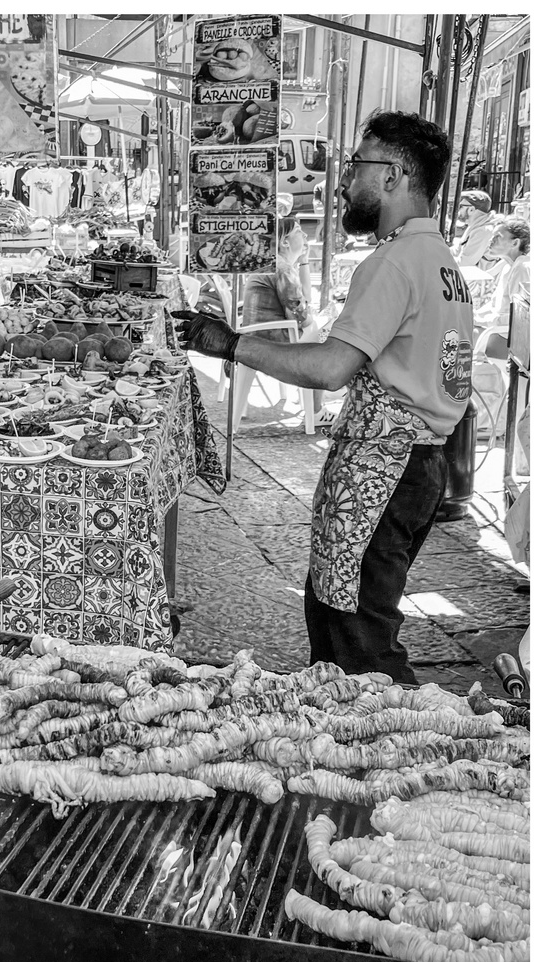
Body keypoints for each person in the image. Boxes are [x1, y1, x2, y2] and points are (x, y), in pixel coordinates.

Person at [174, 110, 474, 682]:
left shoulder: (394, 262)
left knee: (359, 639)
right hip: (419, 464)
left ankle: (414, 752)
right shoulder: (441, 260)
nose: (341, 182)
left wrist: (232, 344)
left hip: (386, 467)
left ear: (394, 176)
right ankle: (345, 740)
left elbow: (333, 368)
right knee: (343, 615)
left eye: (356, 166)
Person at [236, 217, 332, 429]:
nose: (305, 235)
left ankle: (316, 399)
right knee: (326, 340)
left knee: (320, 329)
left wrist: (304, 260)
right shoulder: (282, 269)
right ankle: (317, 408)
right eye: (299, 231)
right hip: (271, 339)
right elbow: (299, 314)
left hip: (260, 335)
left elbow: (304, 299)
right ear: (285, 242)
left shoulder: (278, 263)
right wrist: (318, 324)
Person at [473, 220, 530, 361]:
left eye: (497, 236)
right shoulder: (506, 268)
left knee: (464, 335)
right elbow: (493, 305)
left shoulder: (522, 268)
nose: (491, 240)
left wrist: (484, 320)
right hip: (499, 330)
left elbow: (519, 317)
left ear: (515, 243)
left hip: (511, 339)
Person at [451, 190, 495, 268]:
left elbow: (464, 264)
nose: (458, 211)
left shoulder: (483, 231)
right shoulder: (474, 226)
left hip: (478, 279)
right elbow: (457, 250)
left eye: (461, 207)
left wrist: (440, 260)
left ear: (471, 209)